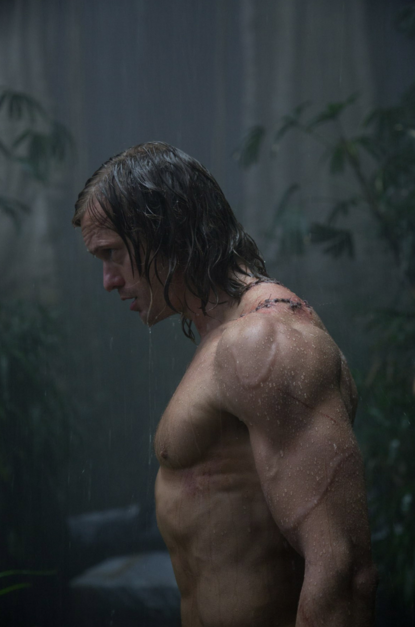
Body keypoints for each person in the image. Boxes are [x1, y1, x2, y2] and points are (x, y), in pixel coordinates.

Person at [73, 142, 377, 627]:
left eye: (112, 253)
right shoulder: (230, 339)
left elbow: (341, 571)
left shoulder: (264, 343)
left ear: (163, 228)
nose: (109, 280)